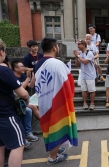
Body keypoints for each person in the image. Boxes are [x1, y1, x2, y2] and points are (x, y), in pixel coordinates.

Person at [34, 37, 78, 165]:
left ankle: (53, 150)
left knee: (49, 127)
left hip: (43, 100)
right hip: (57, 101)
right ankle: (52, 157)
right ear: (54, 48)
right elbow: (68, 83)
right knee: (58, 127)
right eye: (57, 46)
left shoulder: (38, 63)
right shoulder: (58, 64)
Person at [0, 39, 30, 167]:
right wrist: (27, 98)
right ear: (1, 52)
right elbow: (23, 93)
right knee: (18, 145)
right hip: (5, 114)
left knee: (0, 146)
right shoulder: (4, 71)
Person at [11, 61, 40, 142]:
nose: (23, 68)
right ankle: (27, 133)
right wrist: (27, 78)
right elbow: (20, 88)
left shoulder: (23, 76)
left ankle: (45, 123)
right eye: (21, 66)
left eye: (23, 66)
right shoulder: (12, 77)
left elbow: (30, 85)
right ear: (15, 68)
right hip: (17, 101)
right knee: (29, 109)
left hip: (25, 98)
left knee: (41, 101)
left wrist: (33, 76)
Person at [74, 40, 96, 110]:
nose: (78, 46)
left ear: (84, 45)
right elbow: (77, 65)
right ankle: (84, 103)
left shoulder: (89, 53)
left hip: (90, 75)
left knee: (91, 90)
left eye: (79, 45)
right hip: (83, 74)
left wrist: (78, 55)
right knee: (84, 90)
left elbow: (85, 62)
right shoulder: (79, 53)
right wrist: (77, 57)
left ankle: (92, 103)